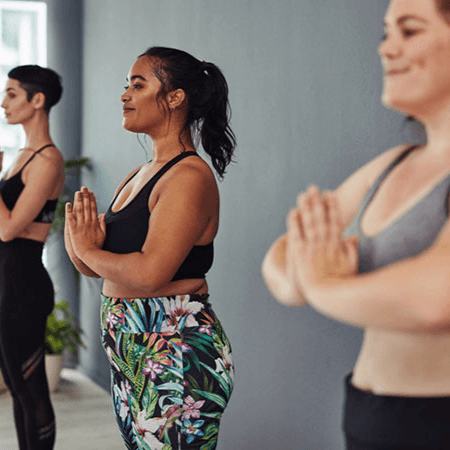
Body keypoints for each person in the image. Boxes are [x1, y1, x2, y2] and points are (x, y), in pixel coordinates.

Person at [262, 0, 450, 449]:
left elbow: (434, 299)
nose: (387, 49)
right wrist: (300, 281)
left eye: (409, 30)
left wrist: (320, 283)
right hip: (368, 415)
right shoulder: (391, 165)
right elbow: (282, 254)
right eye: (386, 33)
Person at [64, 47, 235, 450]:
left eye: (137, 85)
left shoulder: (188, 176)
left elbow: (149, 273)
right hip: (133, 357)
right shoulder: (138, 175)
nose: (125, 95)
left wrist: (89, 251)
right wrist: (80, 241)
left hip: (175, 355)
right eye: (126, 85)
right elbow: (100, 268)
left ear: (175, 97)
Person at [0, 65, 64, 450]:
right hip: (7, 284)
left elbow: (8, 230)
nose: (3, 102)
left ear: (37, 100)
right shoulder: (21, 155)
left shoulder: (48, 160)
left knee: (32, 391)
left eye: (11, 94)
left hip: (23, 287)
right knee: (17, 392)